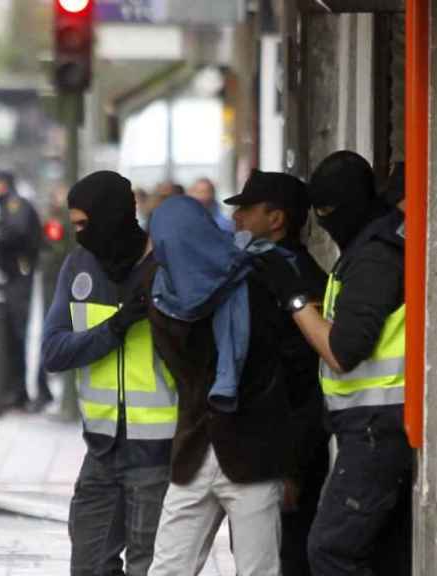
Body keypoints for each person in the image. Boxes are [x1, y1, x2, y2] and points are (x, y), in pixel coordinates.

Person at [256, 151, 410, 576]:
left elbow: (342, 351)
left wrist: (295, 299)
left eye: (326, 212)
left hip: (377, 430)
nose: (322, 221)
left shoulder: (375, 256)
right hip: (371, 425)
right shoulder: (370, 244)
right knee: (383, 555)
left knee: (330, 551)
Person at [146, 195, 292, 576]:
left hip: (253, 453)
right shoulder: (163, 297)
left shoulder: (254, 279)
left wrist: (293, 461)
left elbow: (286, 370)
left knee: (259, 569)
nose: (169, 252)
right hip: (194, 452)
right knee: (167, 568)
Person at [42, 171, 177, 576]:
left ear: (111, 216)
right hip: (100, 450)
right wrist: (115, 328)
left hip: (157, 452)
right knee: (89, 566)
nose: (79, 235)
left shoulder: (166, 264)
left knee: (147, 568)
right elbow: (53, 350)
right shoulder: (78, 266)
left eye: (84, 224)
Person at [224, 170, 330, 576]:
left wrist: (292, 467)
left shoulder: (292, 279)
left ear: (277, 219)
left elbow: (303, 380)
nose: (237, 219)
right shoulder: (259, 271)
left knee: (283, 556)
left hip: (284, 451)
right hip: (258, 445)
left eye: (247, 210)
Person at [0, 170, 52, 411]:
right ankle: (20, 391)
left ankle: (27, 391)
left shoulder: (15, 205)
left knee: (22, 334)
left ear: (3, 185)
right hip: (16, 277)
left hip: (21, 276)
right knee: (16, 336)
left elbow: (17, 232)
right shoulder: (11, 205)